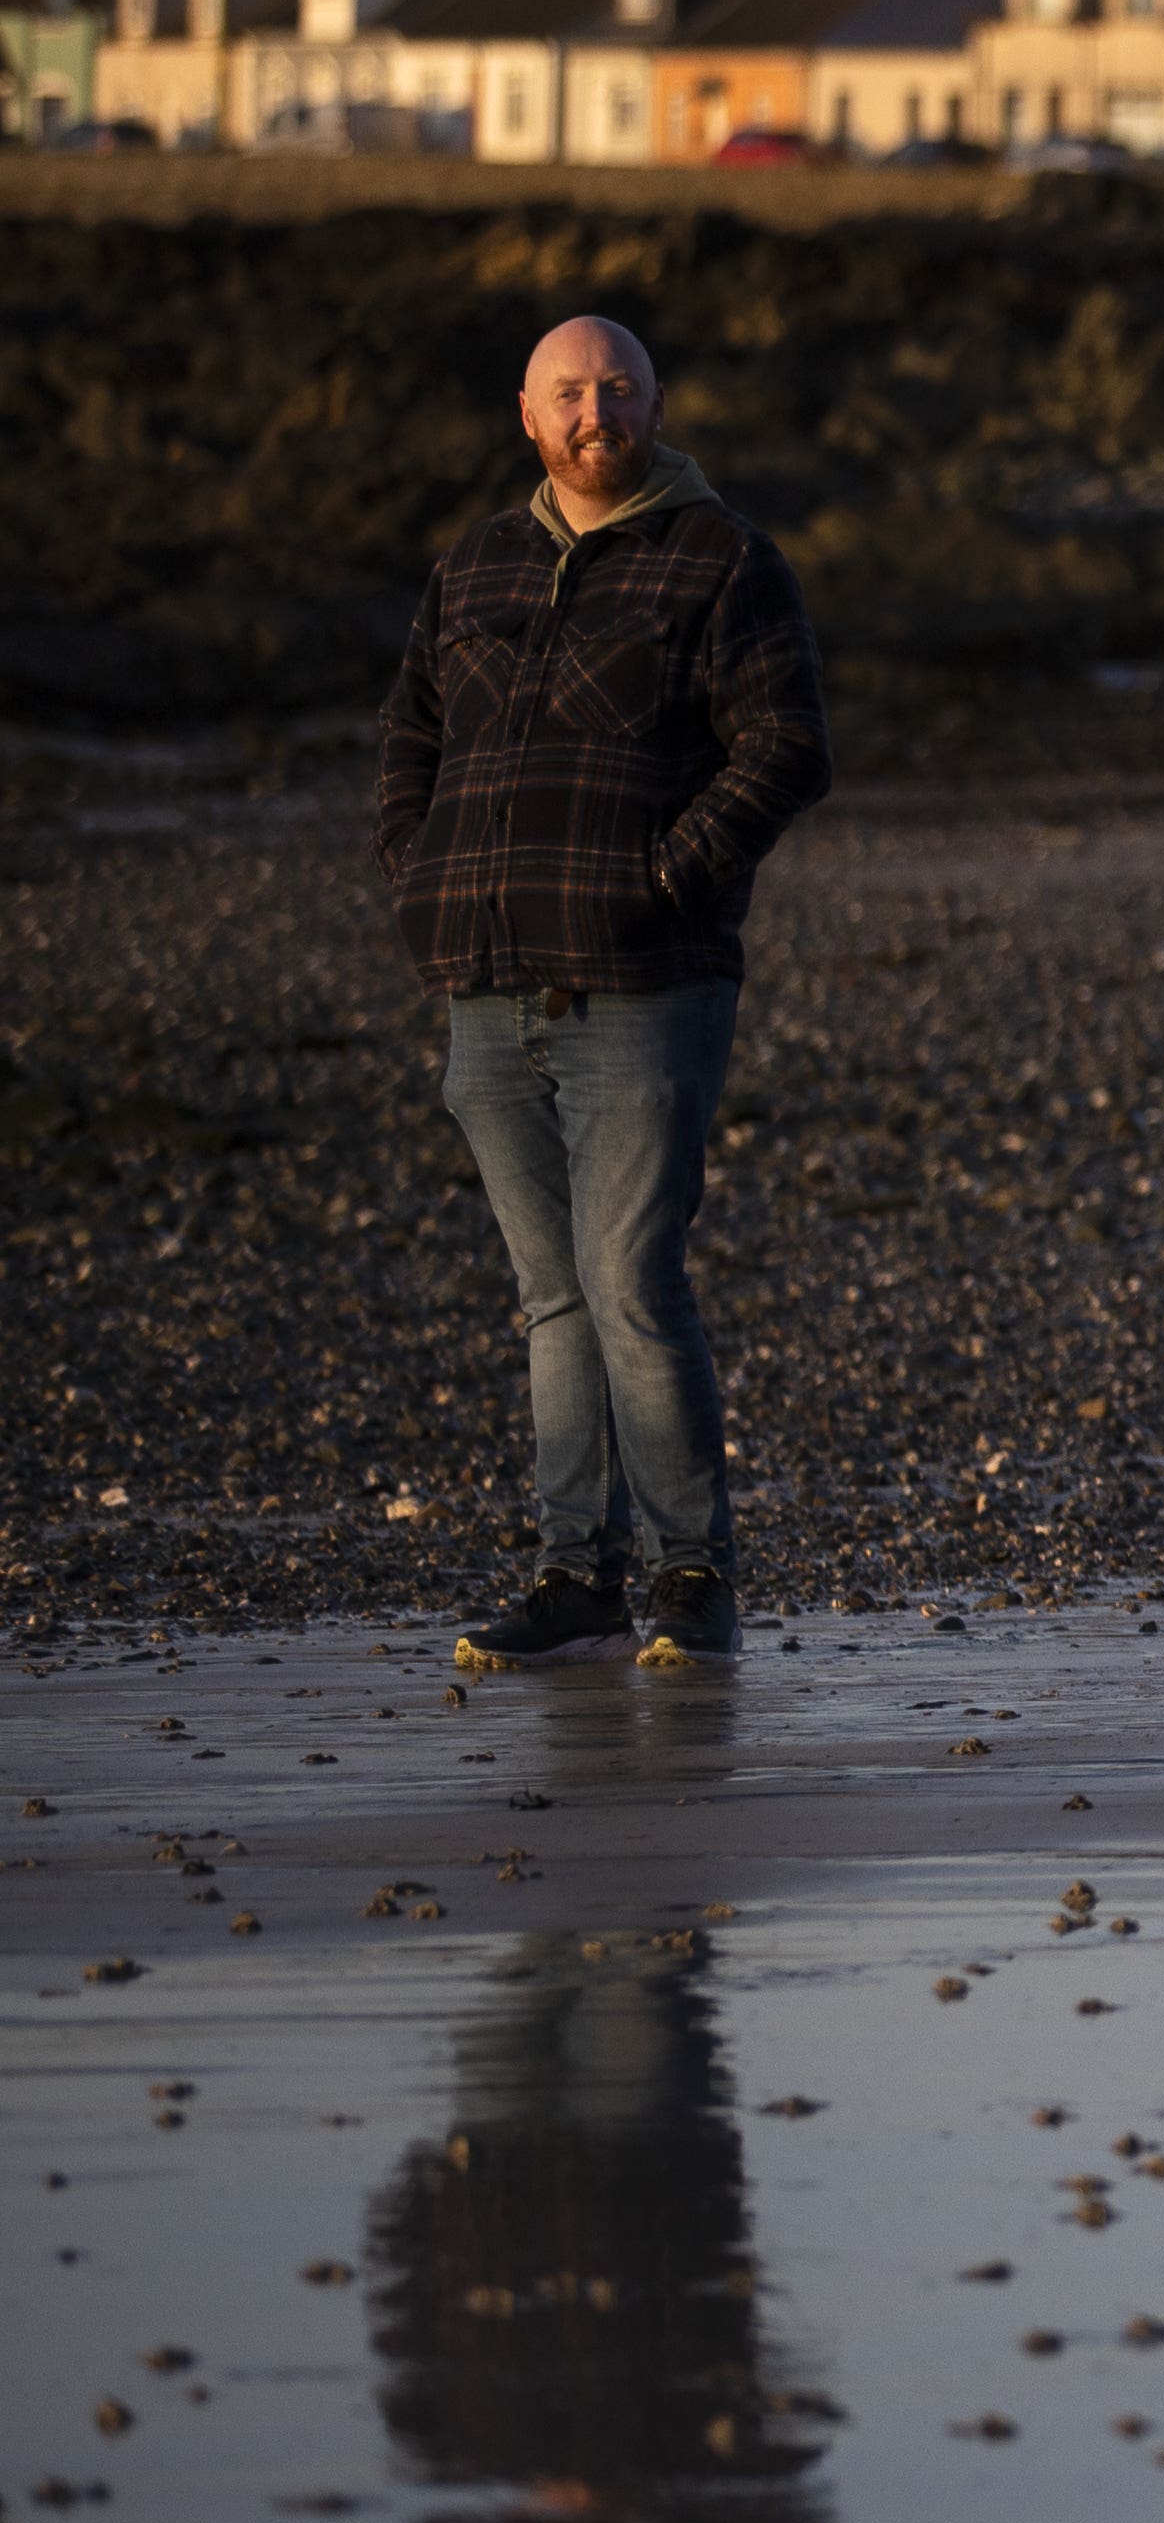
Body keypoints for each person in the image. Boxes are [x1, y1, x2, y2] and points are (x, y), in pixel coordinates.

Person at [384, 315, 832, 1670]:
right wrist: (423, 876)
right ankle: (578, 1574)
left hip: (645, 985)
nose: (598, 412)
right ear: (528, 413)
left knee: (630, 1281)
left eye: (619, 388)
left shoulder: (722, 559)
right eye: (571, 392)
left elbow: (785, 751)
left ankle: (693, 1578)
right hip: (485, 984)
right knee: (551, 1298)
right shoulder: (475, 564)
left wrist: (661, 880)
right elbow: (411, 735)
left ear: (652, 404)